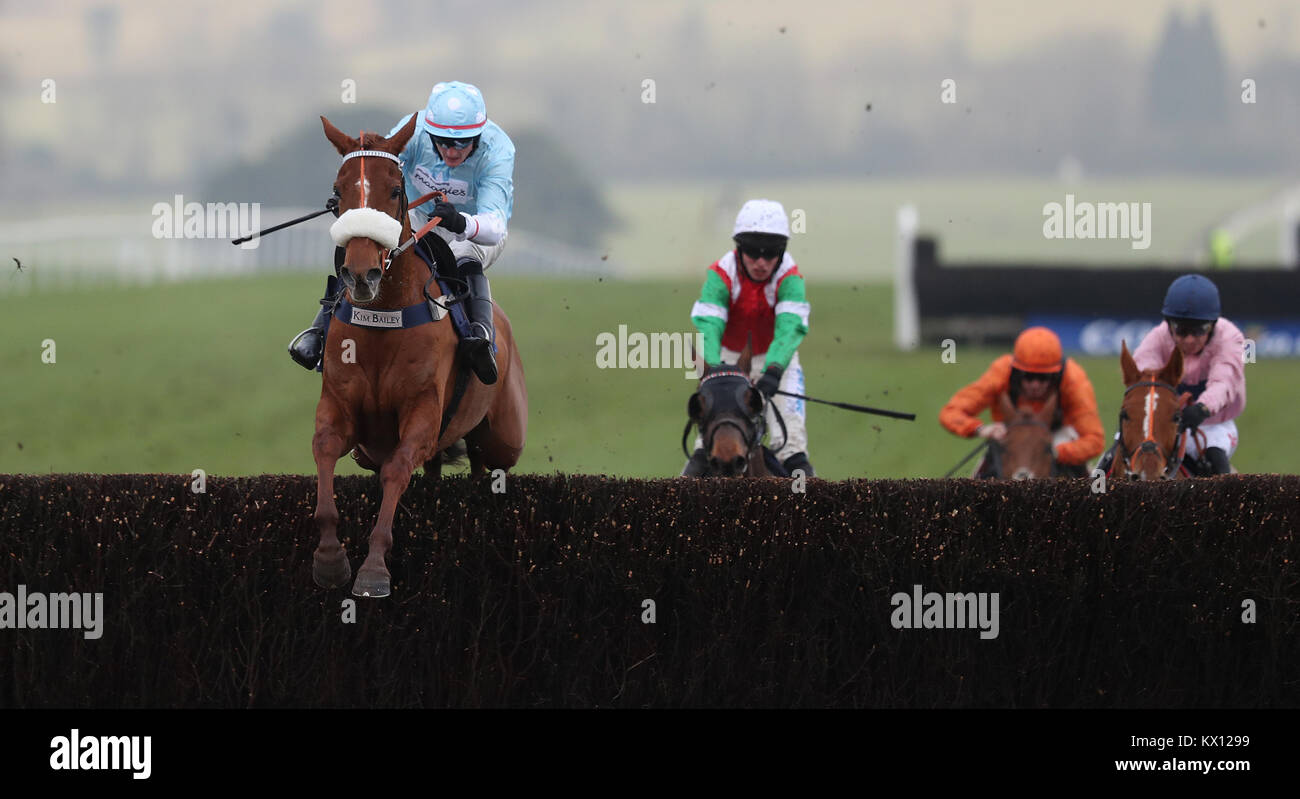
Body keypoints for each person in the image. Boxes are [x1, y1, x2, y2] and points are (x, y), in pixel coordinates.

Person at [289, 80, 514, 385]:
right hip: (417, 217)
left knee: (463, 256)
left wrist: (460, 223)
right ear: (428, 130)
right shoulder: (415, 132)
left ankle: (480, 336)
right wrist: (353, 200)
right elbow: (382, 172)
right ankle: (319, 330)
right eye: (442, 141)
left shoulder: (497, 150)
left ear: (479, 134)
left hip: (474, 230)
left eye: (462, 142)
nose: (451, 151)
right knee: (364, 244)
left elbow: (494, 226)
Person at [682, 199, 813, 477]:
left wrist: (773, 371)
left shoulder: (791, 278)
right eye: (753, 253)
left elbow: (789, 329)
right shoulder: (720, 275)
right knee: (705, 448)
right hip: (726, 361)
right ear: (739, 249)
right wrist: (715, 372)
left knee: (791, 445)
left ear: (783, 251)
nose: (762, 263)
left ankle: (813, 513)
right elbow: (709, 327)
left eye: (771, 254)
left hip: (778, 360)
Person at [939, 326, 1104, 477]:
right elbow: (950, 412)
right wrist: (980, 429)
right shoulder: (1000, 372)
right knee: (974, 489)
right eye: (1029, 376)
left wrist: (1054, 452)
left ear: (1055, 374)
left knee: (1088, 492)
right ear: (1017, 371)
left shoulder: (1074, 381)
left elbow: (1095, 441)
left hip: (1056, 440)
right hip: (1009, 439)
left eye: (1043, 378)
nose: (1035, 385)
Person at [1122, 274, 1244, 475]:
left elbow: (1223, 383)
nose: (1188, 340)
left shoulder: (1230, 339)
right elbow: (1143, 375)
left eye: (1199, 330)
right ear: (1169, 324)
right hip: (1162, 420)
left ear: (1213, 325)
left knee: (1216, 460)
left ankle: (1230, 502)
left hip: (1212, 424)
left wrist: (1202, 409)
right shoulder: (1157, 337)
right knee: (1113, 455)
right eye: (1181, 330)